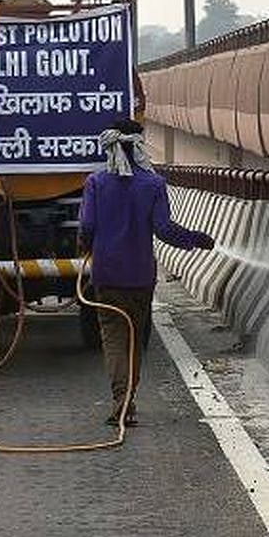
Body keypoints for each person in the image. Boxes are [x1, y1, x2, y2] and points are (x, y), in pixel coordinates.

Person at [79, 118, 215, 426]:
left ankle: (120, 402)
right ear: (139, 146)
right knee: (134, 338)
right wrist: (195, 239)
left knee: (113, 337)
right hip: (140, 277)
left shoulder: (96, 183)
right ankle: (128, 400)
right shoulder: (153, 185)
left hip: (107, 275)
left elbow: (87, 226)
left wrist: (85, 245)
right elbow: (164, 230)